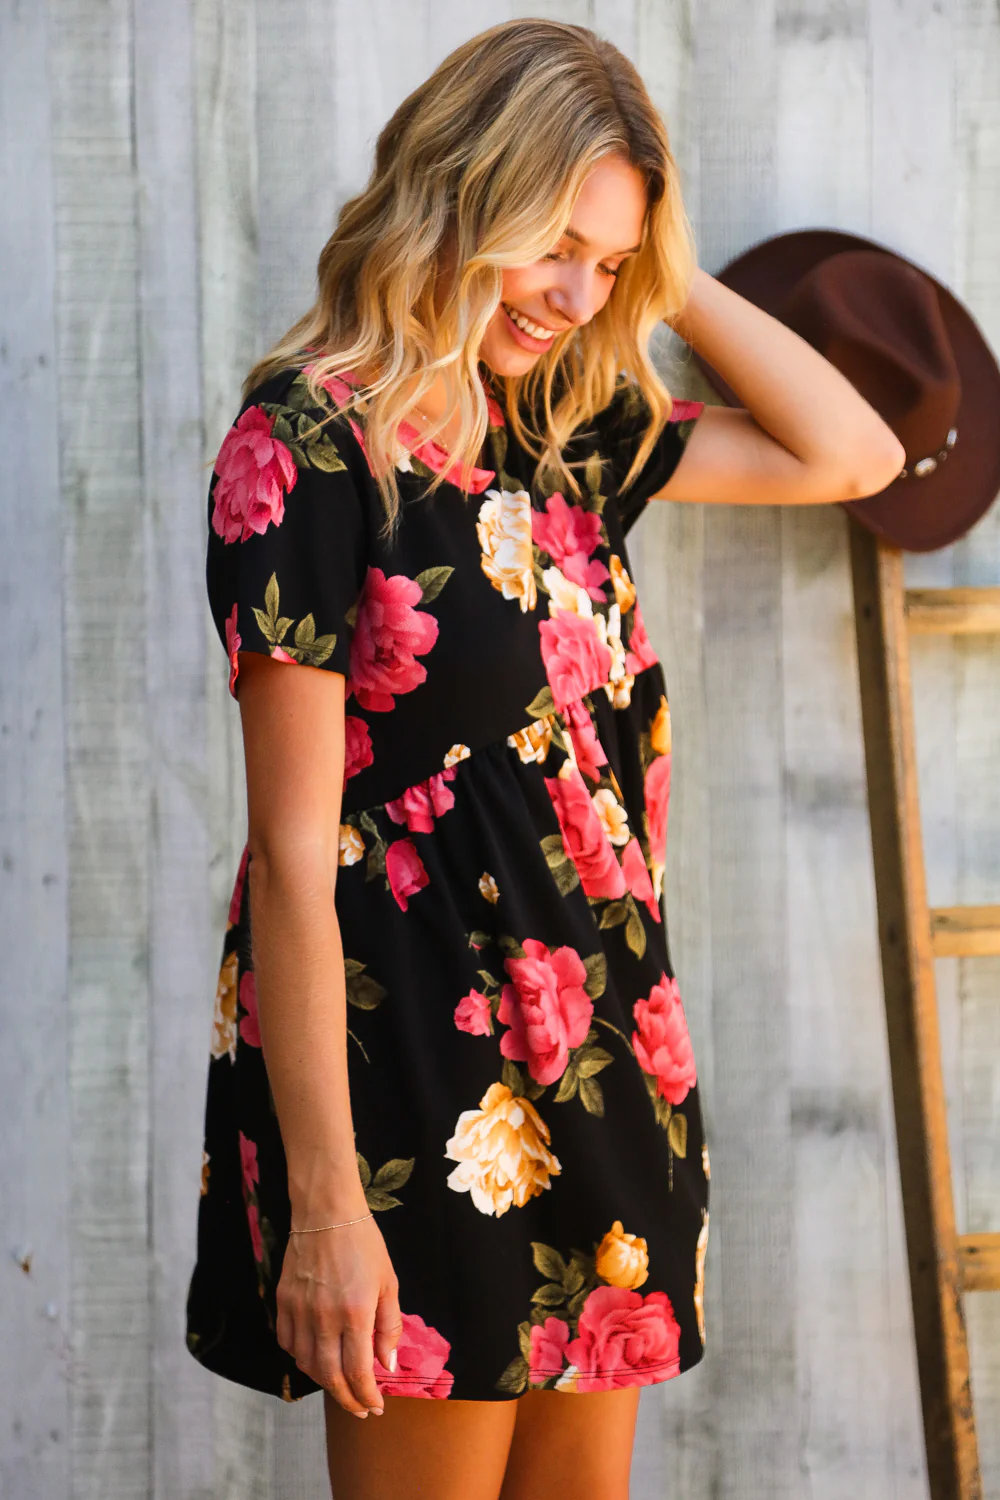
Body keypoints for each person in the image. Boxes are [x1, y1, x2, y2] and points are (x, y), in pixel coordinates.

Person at [186, 19, 904, 1500]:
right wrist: (330, 1204)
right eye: (552, 245)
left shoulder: (565, 426)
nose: (578, 297)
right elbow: (294, 862)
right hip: (417, 1075)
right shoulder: (312, 443)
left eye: (608, 264)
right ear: (459, 195)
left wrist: (661, 265)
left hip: (605, 1052)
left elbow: (856, 455)